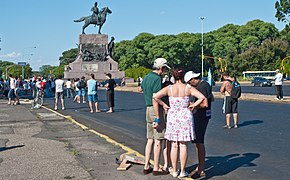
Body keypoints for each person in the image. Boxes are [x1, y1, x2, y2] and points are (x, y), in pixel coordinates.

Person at [153, 68, 207, 178]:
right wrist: (193, 105)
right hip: (185, 116)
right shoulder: (188, 88)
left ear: (173, 76)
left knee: (174, 145)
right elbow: (202, 97)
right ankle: (182, 170)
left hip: (173, 115)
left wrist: (163, 104)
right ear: (183, 77)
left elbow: (155, 96)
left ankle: (174, 170)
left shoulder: (169, 88)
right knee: (183, 145)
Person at [140, 58, 171, 176]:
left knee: (150, 139)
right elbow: (156, 97)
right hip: (155, 109)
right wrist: (159, 115)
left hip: (148, 109)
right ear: (161, 68)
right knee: (158, 140)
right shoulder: (157, 79)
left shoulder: (147, 77)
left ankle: (146, 165)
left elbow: (142, 89)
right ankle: (157, 167)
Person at [184, 71, 213, 178]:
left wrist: (193, 105)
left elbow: (204, 104)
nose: (190, 85)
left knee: (199, 142)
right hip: (205, 115)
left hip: (200, 116)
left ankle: (201, 169)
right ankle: (200, 166)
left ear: (193, 79)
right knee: (198, 142)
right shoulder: (206, 85)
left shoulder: (201, 87)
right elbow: (212, 98)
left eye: (190, 83)